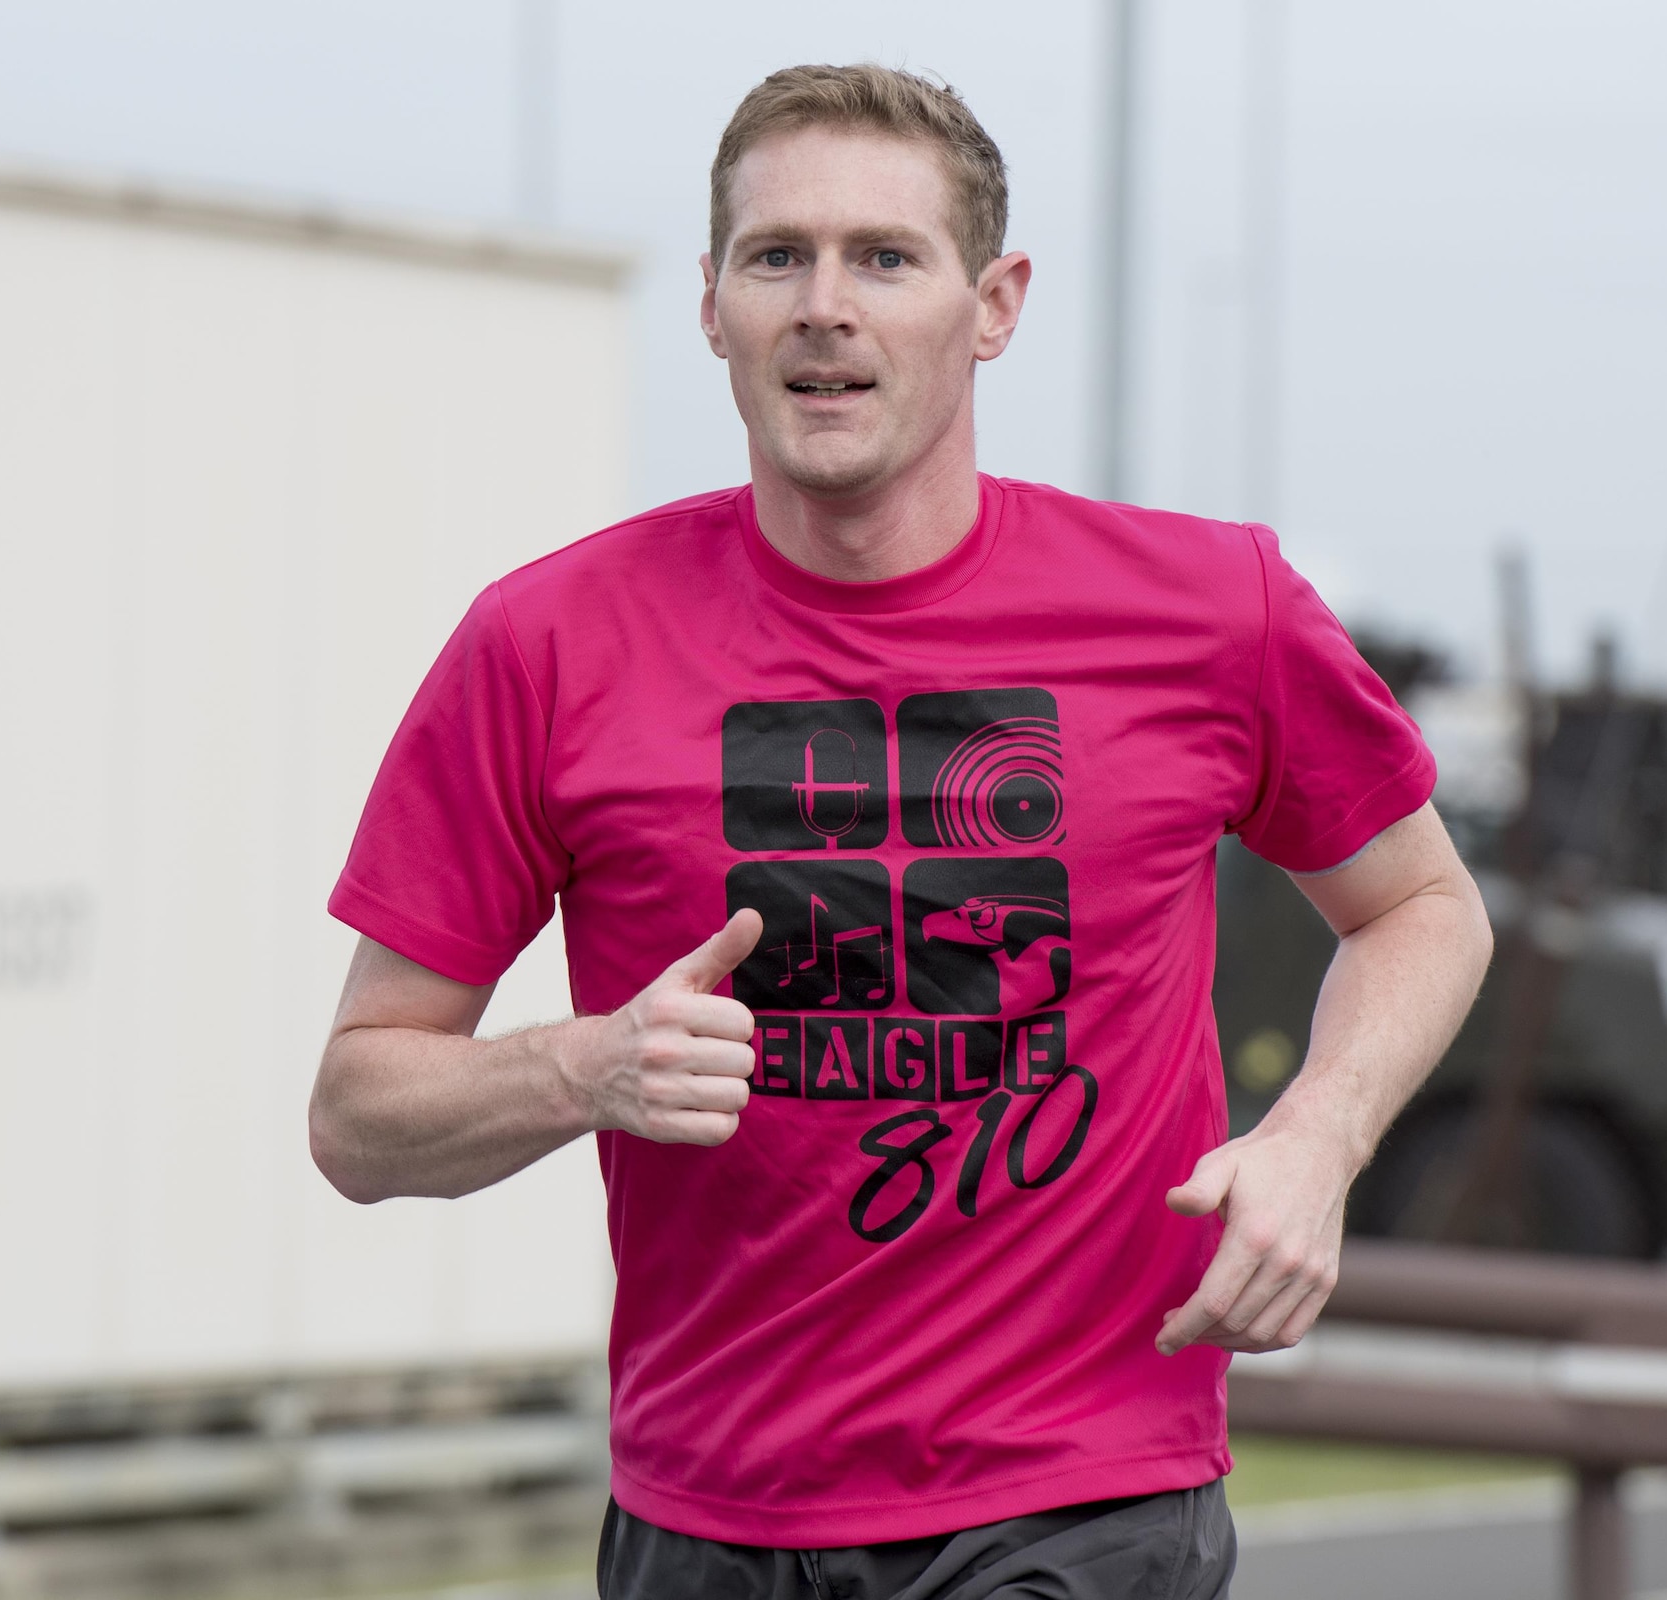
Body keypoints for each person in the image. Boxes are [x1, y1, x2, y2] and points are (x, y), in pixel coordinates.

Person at [310, 63, 1492, 1600]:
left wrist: (1316, 1139)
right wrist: (585, 1066)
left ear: (993, 305)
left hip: (1083, 1492)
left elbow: (1421, 906)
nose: (824, 305)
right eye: (776, 256)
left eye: (885, 257)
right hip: (709, 1513)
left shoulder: (1215, 611)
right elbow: (356, 1113)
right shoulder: (547, 643)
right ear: (713, 306)